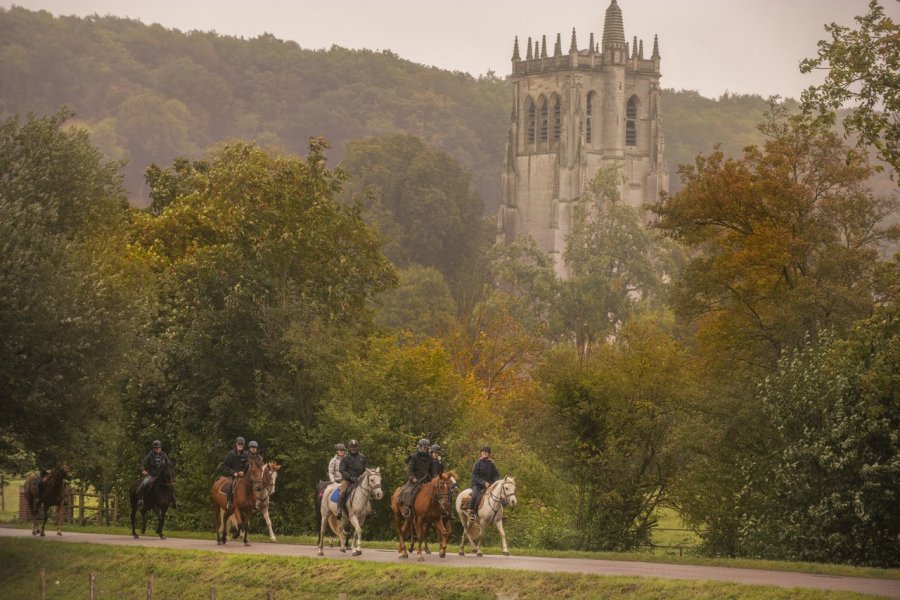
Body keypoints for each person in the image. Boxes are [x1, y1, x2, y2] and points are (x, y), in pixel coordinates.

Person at [398, 438, 434, 518]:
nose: (426, 449)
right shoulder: (414, 457)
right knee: (409, 491)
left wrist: (436, 479)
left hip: (427, 480)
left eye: (427, 448)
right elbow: (410, 471)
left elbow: (433, 471)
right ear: (420, 447)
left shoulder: (430, 458)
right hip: (416, 480)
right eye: (424, 447)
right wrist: (413, 478)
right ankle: (408, 507)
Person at [137, 440, 177, 508]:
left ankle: (175, 502)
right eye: (156, 448)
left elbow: (169, 464)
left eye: (158, 447)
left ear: (160, 448)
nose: (157, 449)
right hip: (151, 475)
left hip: (161, 476)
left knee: (170, 484)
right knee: (144, 483)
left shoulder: (164, 455)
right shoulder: (149, 456)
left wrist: (168, 467)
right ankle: (142, 500)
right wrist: (143, 470)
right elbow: (142, 465)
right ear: (153, 448)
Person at [337, 439, 368, 518]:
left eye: (355, 449)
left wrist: (363, 477)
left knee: (368, 490)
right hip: (347, 479)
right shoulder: (345, 458)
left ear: (357, 448)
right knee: (343, 491)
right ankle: (339, 509)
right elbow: (342, 470)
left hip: (359, 479)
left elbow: (365, 469)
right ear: (349, 448)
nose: (354, 450)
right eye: (352, 449)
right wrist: (350, 477)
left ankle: (369, 510)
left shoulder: (362, 457)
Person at [469, 445, 500, 523]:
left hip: (490, 485)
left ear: (488, 454)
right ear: (481, 453)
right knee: (475, 495)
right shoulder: (477, 464)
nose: (484, 453)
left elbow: (496, 475)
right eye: (483, 452)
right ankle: (472, 513)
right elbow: (474, 476)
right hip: (477, 485)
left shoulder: (492, 464)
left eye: (486, 452)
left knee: (500, 496)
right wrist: (483, 483)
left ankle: (500, 515)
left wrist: (495, 483)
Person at [223, 437, 249, 510]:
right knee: (229, 485)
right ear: (236, 444)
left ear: (243, 445)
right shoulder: (231, 454)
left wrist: (243, 471)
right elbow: (225, 466)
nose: (240, 445)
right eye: (239, 444)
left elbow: (247, 465)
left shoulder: (246, 454)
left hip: (243, 475)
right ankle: (229, 502)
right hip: (233, 475)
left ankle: (255, 502)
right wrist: (234, 473)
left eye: (242, 444)